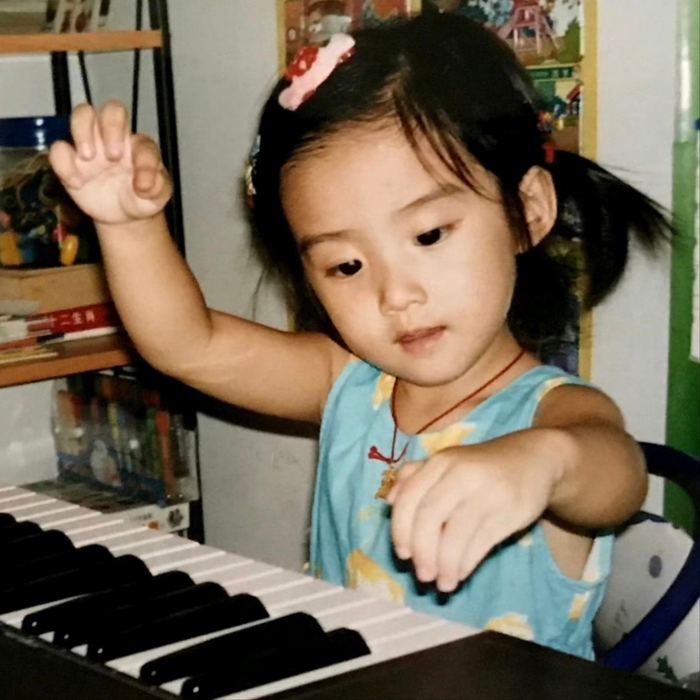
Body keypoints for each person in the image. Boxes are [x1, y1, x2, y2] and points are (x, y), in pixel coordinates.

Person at [49, 13, 670, 660]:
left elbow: (615, 475)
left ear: (528, 212)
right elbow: (187, 346)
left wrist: (543, 463)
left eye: (428, 235)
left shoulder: (550, 415)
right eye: (346, 266)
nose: (394, 294)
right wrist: (129, 228)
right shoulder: (348, 384)